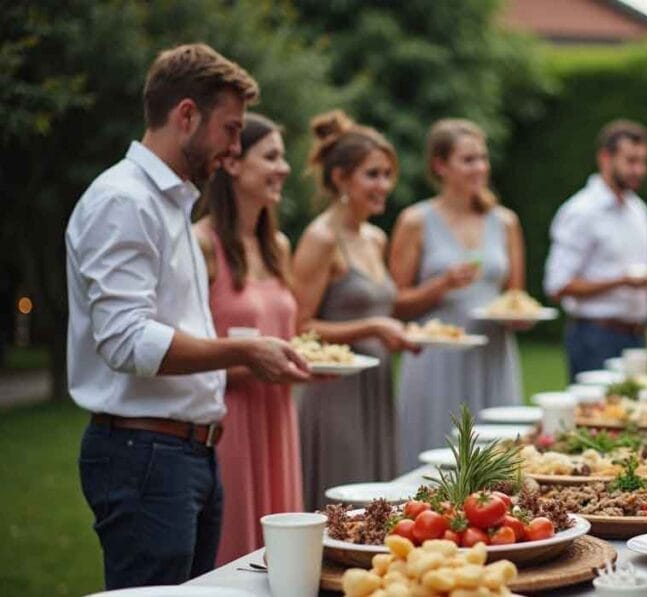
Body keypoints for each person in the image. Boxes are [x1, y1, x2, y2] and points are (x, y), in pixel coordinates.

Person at [66, 44, 309, 589]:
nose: (232, 146)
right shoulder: (123, 201)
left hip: (186, 451)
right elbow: (126, 341)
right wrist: (246, 350)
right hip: (144, 453)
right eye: (230, 128)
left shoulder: (170, 203)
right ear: (186, 115)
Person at [193, 112, 303, 565]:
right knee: (234, 551)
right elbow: (182, 348)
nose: (284, 168)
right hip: (230, 418)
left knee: (284, 556)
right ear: (234, 164)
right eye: (272, 157)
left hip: (279, 413)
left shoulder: (278, 245)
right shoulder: (201, 244)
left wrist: (299, 363)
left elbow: (293, 336)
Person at [292, 110, 417, 508]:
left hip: (377, 386)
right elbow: (299, 326)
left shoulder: (376, 238)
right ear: (340, 178)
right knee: (343, 503)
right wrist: (373, 326)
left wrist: (394, 334)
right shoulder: (321, 239)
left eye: (386, 174)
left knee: (378, 502)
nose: (384, 185)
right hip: (334, 394)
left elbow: (379, 313)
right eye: (372, 175)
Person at [390, 118, 526, 472]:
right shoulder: (415, 221)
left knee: (498, 465)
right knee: (433, 467)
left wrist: (519, 317)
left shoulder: (506, 221)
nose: (480, 167)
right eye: (468, 160)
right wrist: (441, 284)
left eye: (482, 158)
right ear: (440, 165)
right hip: (437, 359)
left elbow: (517, 298)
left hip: (493, 355)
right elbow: (395, 305)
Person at [543, 119, 647, 380]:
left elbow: (640, 276)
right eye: (631, 161)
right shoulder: (581, 212)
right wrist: (621, 282)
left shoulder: (639, 210)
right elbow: (557, 286)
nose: (640, 169)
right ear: (605, 158)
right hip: (595, 337)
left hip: (639, 336)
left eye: (643, 161)